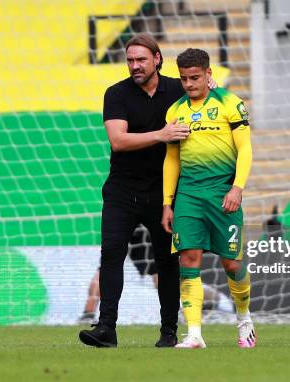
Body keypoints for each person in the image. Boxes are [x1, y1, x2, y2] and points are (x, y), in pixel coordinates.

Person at [79, 34, 215, 348]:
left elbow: (208, 95)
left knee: (167, 262)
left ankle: (168, 332)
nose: (135, 66)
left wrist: (214, 89)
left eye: (141, 59)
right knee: (111, 255)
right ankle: (106, 329)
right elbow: (119, 141)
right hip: (122, 191)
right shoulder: (116, 94)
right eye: (130, 60)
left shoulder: (177, 89)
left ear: (157, 59)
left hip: (165, 192)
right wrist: (162, 134)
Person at [161, 48, 256, 349]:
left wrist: (237, 188)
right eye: (184, 79)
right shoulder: (176, 111)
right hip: (189, 195)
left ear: (208, 74)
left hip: (222, 194)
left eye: (195, 78)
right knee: (189, 259)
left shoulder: (230, 103)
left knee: (231, 264)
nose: (189, 84)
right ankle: (194, 334)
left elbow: (245, 149)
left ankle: (244, 319)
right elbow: (172, 159)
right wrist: (168, 201)